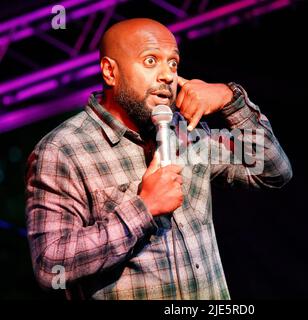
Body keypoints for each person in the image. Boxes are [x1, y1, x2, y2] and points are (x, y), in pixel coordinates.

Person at [25, 18, 292, 300]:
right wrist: (144, 209)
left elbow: (273, 170)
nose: (168, 75)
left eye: (173, 63)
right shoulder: (63, 150)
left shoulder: (187, 132)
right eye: (151, 61)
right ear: (109, 71)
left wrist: (230, 99)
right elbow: (50, 266)